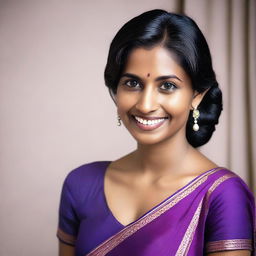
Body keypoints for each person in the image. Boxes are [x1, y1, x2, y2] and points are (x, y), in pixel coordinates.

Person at [57, 9, 255, 256]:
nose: (145, 104)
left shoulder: (222, 194)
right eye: (132, 83)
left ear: (197, 95)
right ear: (115, 89)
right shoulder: (81, 184)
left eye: (167, 86)